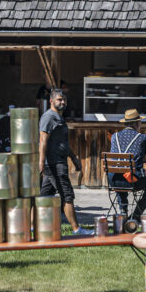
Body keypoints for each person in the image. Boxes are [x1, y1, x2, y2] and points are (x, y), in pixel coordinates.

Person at [38, 89, 93, 235]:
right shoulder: (48, 117)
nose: (63, 102)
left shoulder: (59, 117)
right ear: (51, 101)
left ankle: (32, 226)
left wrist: (74, 158)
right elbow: (43, 139)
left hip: (59, 161)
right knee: (67, 195)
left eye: (64, 100)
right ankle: (77, 229)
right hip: (54, 163)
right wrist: (41, 162)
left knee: (43, 196)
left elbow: (63, 143)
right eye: (59, 100)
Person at [108, 108, 146, 221]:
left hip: (113, 180)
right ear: (137, 123)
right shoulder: (143, 138)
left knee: (120, 172)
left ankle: (123, 211)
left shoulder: (114, 137)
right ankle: (136, 214)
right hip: (132, 180)